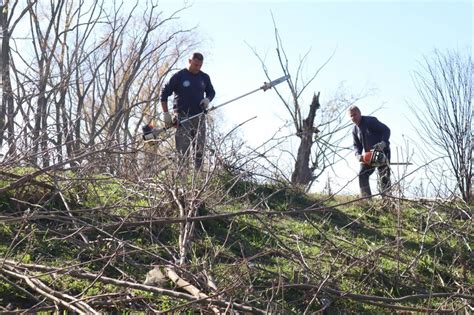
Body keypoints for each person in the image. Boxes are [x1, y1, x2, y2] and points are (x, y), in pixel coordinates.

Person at [160, 52, 216, 169]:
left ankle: (198, 176)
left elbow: (211, 92)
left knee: (199, 148)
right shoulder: (179, 76)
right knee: (182, 150)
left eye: (200, 65)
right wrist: (166, 114)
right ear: (190, 61)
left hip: (199, 116)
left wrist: (207, 99)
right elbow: (164, 94)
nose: (197, 68)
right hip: (182, 117)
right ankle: (182, 178)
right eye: (195, 65)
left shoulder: (204, 77)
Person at [348, 105, 391, 198]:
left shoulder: (370, 121)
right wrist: (358, 155)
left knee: (384, 176)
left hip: (382, 152)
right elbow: (356, 146)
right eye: (351, 116)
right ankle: (366, 199)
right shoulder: (354, 130)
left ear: (360, 113)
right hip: (369, 156)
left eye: (355, 114)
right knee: (362, 174)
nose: (353, 117)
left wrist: (383, 143)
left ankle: (388, 200)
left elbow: (386, 130)